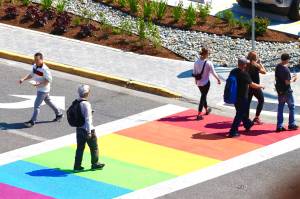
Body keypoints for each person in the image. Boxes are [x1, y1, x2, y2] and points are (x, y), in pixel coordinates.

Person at [19, 52, 63, 128]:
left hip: (43, 90)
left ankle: (32, 121)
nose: (35, 61)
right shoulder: (35, 66)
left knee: (36, 106)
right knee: (48, 101)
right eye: (35, 60)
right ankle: (59, 113)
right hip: (40, 88)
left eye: (37, 60)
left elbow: (48, 80)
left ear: (42, 59)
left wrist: (38, 84)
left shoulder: (45, 69)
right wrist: (23, 79)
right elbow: (32, 74)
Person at [228, 57, 265, 138]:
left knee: (241, 112)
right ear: (244, 65)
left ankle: (248, 124)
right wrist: (261, 86)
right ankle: (233, 131)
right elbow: (252, 84)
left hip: (234, 96)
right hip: (242, 97)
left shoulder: (233, 71)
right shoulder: (244, 73)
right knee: (239, 114)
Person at [73, 85, 105, 171]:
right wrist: (89, 132)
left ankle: (77, 165)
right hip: (87, 129)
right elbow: (88, 119)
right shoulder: (86, 104)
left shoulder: (76, 102)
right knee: (94, 147)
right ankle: (95, 163)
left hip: (79, 129)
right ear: (87, 93)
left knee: (80, 148)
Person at [193, 47, 221, 120]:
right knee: (203, 97)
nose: (209, 55)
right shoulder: (208, 63)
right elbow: (213, 72)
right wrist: (218, 79)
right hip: (206, 83)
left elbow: (194, 73)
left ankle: (206, 110)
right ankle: (199, 114)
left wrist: (196, 81)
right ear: (206, 54)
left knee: (203, 96)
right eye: (208, 53)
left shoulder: (196, 62)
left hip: (199, 83)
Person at [275, 53, 298, 132]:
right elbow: (287, 82)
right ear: (287, 59)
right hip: (287, 91)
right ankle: (291, 124)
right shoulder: (286, 70)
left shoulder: (278, 67)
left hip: (280, 91)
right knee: (291, 107)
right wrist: (294, 79)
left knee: (280, 108)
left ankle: (279, 126)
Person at [246, 51, 267, 125]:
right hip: (256, 86)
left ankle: (246, 119)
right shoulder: (256, 65)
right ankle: (256, 117)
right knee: (261, 100)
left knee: (247, 103)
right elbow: (264, 72)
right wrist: (260, 63)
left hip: (248, 86)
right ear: (255, 58)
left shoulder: (246, 64)